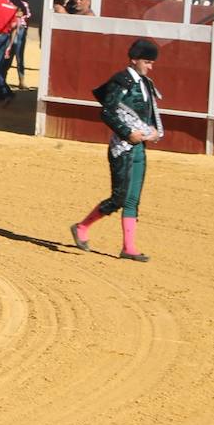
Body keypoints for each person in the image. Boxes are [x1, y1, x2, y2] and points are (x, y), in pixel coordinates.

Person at [69, 38, 163, 263]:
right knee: (119, 197)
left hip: (139, 147)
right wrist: (126, 132)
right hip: (122, 147)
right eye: (147, 62)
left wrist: (154, 131)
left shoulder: (145, 83)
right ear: (134, 60)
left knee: (132, 199)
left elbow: (149, 113)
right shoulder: (121, 81)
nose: (151, 66)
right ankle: (81, 227)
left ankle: (129, 247)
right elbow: (107, 112)